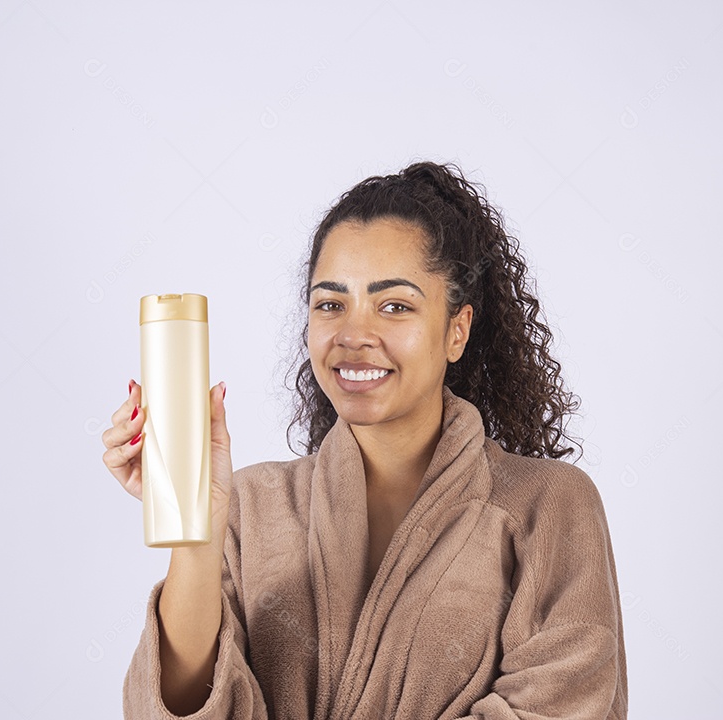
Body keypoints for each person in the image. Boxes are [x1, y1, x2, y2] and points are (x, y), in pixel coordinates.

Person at [104, 161, 628, 719]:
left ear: (457, 329)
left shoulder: (548, 505)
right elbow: (176, 710)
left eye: (395, 306)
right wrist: (198, 535)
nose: (353, 336)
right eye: (331, 304)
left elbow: (566, 709)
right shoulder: (250, 505)